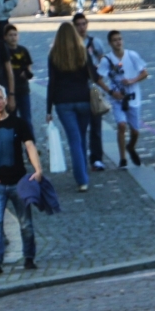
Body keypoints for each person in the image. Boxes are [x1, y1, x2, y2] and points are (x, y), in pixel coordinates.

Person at [0, 84, 43, 273]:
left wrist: (38, 169)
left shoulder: (19, 124)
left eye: (0, 98)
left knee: (26, 224)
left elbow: (29, 146)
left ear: (6, 100)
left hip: (19, 182)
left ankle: (29, 257)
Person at [46, 21, 95, 192]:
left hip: (63, 102)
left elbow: (52, 83)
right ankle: (83, 172)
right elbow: (92, 75)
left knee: (74, 139)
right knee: (81, 137)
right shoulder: (82, 51)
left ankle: (82, 179)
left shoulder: (54, 55)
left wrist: (48, 109)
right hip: (83, 99)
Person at [97, 30, 148, 168]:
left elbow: (144, 73)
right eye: (115, 40)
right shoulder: (106, 60)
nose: (118, 42)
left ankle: (130, 147)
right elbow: (99, 79)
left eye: (120, 39)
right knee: (121, 125)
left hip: (133, 97)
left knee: (135, 131)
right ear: (110, 43)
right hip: (118, 99)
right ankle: (123, 158)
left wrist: (132, 80)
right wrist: (111, 92)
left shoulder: (132, 55)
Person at [73, 12, 110, 170]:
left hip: (93, 89)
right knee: (80, 127)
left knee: (96, 125)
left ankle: (96, 158)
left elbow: (104, 61)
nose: (82, 28)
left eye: (84, 24)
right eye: (79, 25)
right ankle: (81, 158)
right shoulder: (71, 45)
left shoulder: (96, 43)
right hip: (78, 90)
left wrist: (99, 73)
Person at [3, 23, 34, 129]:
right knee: (11, 119)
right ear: (5, 37)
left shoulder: (23, 50)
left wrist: (26, 74)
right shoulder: (4, 51)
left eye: (15, 35)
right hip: (9, 90)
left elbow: (29, 66)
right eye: (10, 35)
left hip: (23, 89)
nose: (13, 38)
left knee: (26, 119)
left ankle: (30, 143)